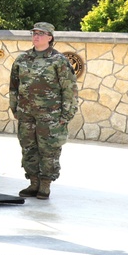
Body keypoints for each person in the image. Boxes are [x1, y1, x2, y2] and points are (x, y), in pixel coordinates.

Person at [8, 22, 78, 200]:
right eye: (34, 33)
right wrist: (15, 108)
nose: (36, 36)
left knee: (49, 150)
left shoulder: (58, 60)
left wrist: (66, 115)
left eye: (41, 33)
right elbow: (14, 86)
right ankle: (33, 183)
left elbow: (69, 89)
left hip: (50, 115)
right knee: (28, 148)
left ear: (50, 37)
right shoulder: (22, 59)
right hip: (26, 114)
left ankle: (45, 185)